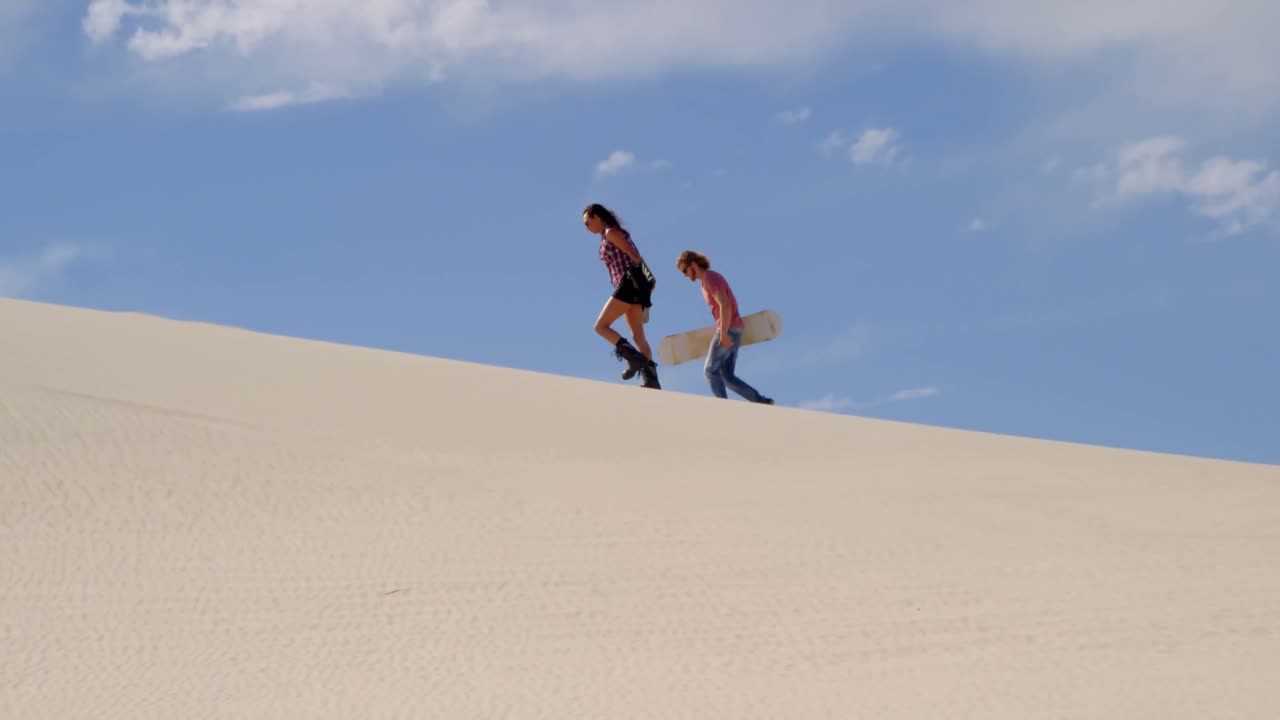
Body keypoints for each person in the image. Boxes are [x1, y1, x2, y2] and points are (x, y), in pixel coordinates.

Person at [675, 250, 773, 404]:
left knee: (710, 371)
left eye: (684, 270)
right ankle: (760, 401)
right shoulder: (706, 281)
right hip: (735, 329)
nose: (685, 275)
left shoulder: (709, 278)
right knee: (727, 376)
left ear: (693, 264)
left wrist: (724, 334)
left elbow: (725, 305)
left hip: (729, 330)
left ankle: (723, 407)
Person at [583, 203, 660, 389]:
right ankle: (651, 380)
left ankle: (634, 359)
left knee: (600, 326)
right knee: (638, 336)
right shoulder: (610, 232)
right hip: (633, 287)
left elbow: (634, 256)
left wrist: (640, 278)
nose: (586, 227)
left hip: (627, 284)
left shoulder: (610, 232)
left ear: (597, 217)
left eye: (587, 222)